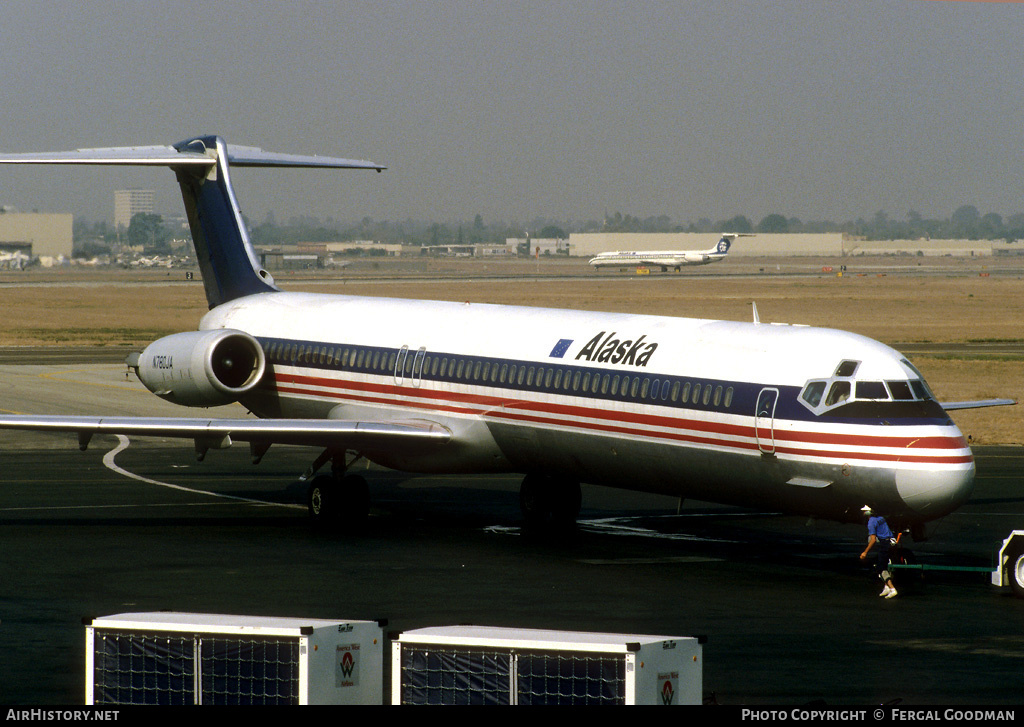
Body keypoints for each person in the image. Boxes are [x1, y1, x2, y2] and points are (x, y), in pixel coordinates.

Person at [859, 506, 897, 598]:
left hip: (884, 544)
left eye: (864, 511)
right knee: (883, 564)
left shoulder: (871, 522)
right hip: (891, 542)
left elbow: (873, 540)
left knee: (880, 568)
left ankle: (892, 589)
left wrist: (865, 552)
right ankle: (886, 587)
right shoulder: (881, 518)